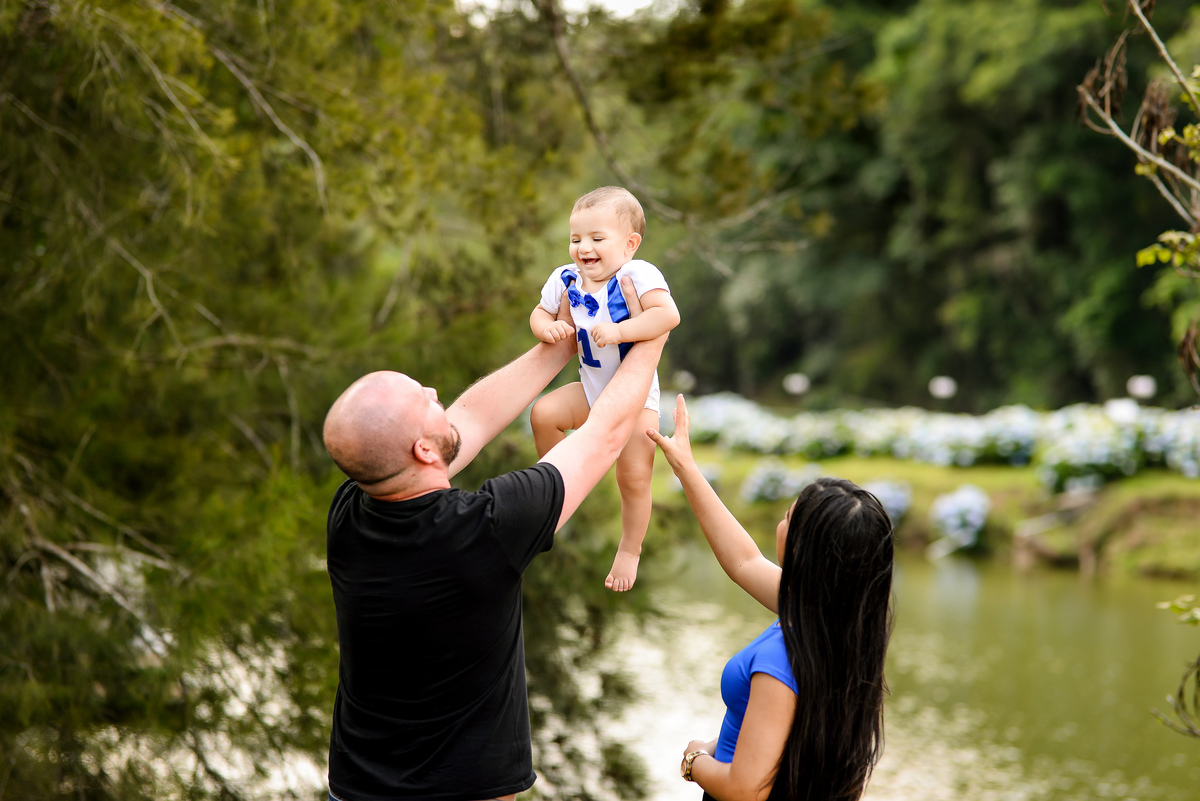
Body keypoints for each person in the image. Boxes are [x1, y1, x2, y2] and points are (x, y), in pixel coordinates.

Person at [321, 327, 667, 801]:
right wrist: (651, 331)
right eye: (424, 400)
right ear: (423, 450)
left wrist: (566, 344)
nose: (434, 392)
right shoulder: (485, 529)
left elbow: (470, 419)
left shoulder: (350, 512)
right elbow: (603, 436)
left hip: (356, 787)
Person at [647, 395, 895, 801]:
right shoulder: (835, 624)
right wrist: (685, 467)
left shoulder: (785, 656)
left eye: (788, 518)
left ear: (805, 551)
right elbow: (743, 560)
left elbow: (747, 788)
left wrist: (695, 759)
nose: (781, 524)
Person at [529, 186, 680, 592]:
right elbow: (539, 313)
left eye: (598, 239)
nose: (584, 248)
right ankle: (559, 491)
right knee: (543, 414)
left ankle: (630, 548)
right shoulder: (565, 278)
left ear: (630, 244)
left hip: (635, 399)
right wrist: (549, 328)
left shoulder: (637, 274)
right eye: (577, 238)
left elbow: (668, 315)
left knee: (633, 478)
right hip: (590, 389)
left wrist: (620, 331)